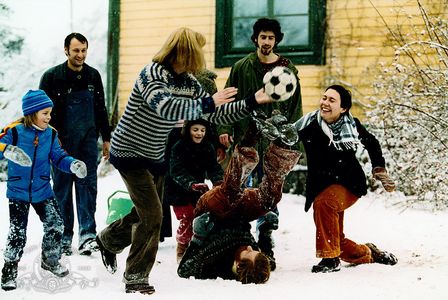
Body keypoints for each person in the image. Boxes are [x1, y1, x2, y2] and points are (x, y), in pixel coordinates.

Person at [94, 27, 273, 295]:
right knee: (153, 215)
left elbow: (215, 114)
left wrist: (252, 100)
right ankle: (136, 276)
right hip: (129, 151)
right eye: (197, 50)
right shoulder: (151, 75)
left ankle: (108, 240)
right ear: (185, 51)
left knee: (147, 212)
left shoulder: (189, 82)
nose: (200, 57)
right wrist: (208, 103)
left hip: (155, 154)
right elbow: (166, 108)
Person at [217, 18, 303, 265]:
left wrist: (291, 138)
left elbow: (295, 107)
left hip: (275, 142)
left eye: (271, 38)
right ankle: (242, 241)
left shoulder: (288, 70)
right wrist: (224, 127)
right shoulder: (242, 67)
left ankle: (265, 240)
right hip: (247, 139)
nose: (267, 42)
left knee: (269, 192)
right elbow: (227, 99)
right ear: (255, 39)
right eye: (263, 37)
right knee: (240, 189)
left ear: (277, 41)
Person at [178, 117, 301, 283]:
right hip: (241, 213)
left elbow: (184, 270)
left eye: (248, 253)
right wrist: (265, 231)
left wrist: (198, 237)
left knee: (230, 193)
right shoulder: (258, 260)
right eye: (255, 251)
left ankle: (250, 137)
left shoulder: (215, 265)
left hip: (213, 212)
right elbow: (269, 260)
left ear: (237, 264)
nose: (250, 247)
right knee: (270, 200)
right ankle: (283, 145)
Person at [292, 84, 398, 273]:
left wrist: (379, 168)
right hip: (321, 184)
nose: (325, 103)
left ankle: (330, 259)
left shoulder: (352, 125)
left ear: (343, 109)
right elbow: (287, 140)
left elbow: (372, 143)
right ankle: (368, 253)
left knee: (325, 204)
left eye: (331, 100)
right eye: (324, 98)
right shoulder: (309, 124)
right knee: (335, 239)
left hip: (349, 183)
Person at [0, 90, 88, 291]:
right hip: (18, 191)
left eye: (50, 113)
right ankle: (9, 269)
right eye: (45, 113)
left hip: (42, 189)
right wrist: (6, 150)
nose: (49, 117)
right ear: (32, 113)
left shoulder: (51, 134)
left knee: (56, 223)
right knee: (17, 232)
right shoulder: (14, 131)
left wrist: (72, 164)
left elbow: (58, 157)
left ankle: (50, 259)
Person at [39, 32, 111, 256]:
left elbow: (100, 108)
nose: (80, 55)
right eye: (76, 50)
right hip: (59, 143)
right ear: (66, 51)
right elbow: (40, 113)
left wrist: (106, 138)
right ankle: (63, 236)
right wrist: (48, 138)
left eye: (83, 50)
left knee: (87, 187)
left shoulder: (93, 76)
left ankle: (87, 236)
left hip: (87, 143)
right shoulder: (52, 77)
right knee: (61, 189)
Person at [165, 119, 223, 262]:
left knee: (200, 218)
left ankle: (197, 247)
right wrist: (191, 184)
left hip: (197, 191)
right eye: (195, 129)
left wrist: (219, 181)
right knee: (188, 217)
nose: (199, 133)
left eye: (202, 130)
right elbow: (176, 170)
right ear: (188, 130)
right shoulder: (179, 147)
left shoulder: (207, 147)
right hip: (178, 190)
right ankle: (182, 248)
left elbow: (213, 167)